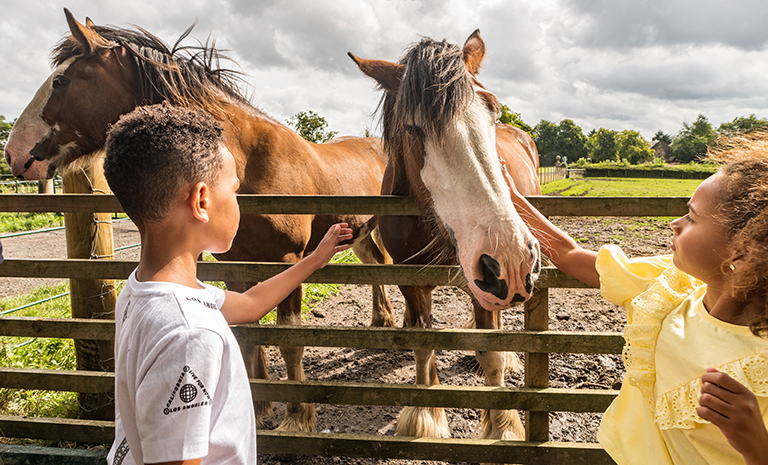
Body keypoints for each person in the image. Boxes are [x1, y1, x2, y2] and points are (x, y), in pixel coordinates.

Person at [102, 102, 353, 465]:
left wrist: (314, 259)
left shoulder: (142, 290)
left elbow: (251, 304)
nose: (237, 201)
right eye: (235, 190)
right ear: (202, 201)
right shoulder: (189, 335)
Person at [501, 133, 768, 465]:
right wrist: (511, 197)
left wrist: (759, 447)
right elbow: (570, 255)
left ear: (742, 252)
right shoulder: (670, 286)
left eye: (691, 217)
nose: (675, 223)